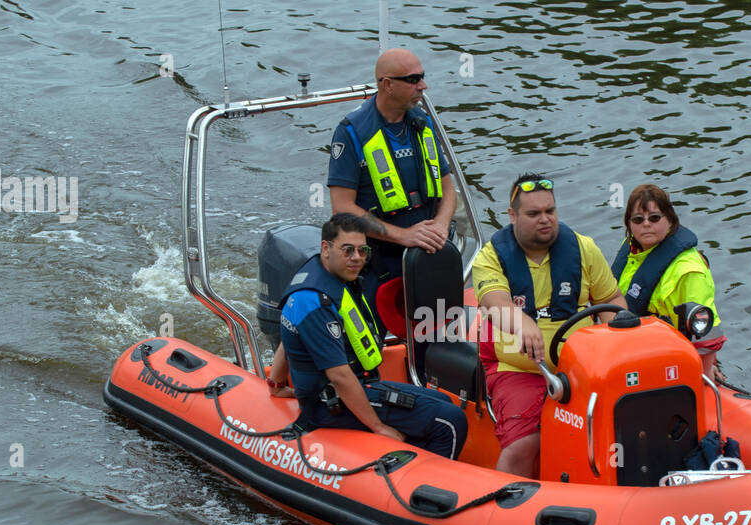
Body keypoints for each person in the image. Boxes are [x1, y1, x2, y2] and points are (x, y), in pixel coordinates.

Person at [267, 214, 467, 460]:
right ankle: (431, 489)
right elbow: (340, 376)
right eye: (348, 250)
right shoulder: (316, 301)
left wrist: (276, 382)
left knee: (440, 398)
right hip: (329, 403)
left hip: (351, 386)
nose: (357, 258)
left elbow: (288, 337)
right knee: (450, 421)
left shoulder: (322, 277)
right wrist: (379, 427)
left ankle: (406, 460)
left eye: (363, 251)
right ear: (325, 248)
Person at [472, 175, 627, 478]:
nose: (545, 220)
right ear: (512, 216)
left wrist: (623, 338)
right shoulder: (490, 258)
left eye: (550, 211)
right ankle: (507, 509)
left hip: (583, 368)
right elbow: (496, 303)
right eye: (533, 214)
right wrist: (522, 322)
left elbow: (612, 299)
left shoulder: (584, 249)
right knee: (523, 445)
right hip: (518, 368)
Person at [327, 48, 458, 312]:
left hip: (428, 256)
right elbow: (342, 207)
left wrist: (441, 227)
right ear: (387, 85)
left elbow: (447, 187)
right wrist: (405, 236)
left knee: (437, 336)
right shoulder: (351, 132)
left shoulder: (421, 122)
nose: (423, 85)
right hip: (379, 264)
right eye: (413, 79)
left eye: (422, 77)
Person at [612, 183, 725, 379]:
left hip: (676, 360)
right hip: (632, 350)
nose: (646, 224)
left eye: (654, 218)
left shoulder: (689, 270)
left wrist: (704, 373)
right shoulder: (631, 250)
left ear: (670, 220)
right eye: (638, 219)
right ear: (629, 224)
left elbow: (707, 330)